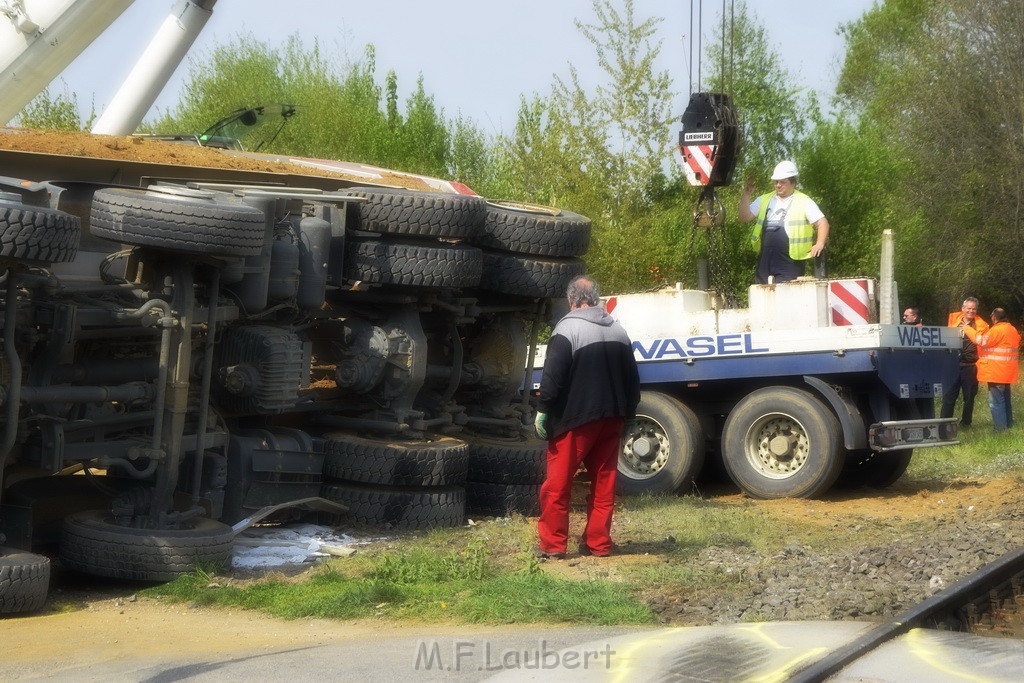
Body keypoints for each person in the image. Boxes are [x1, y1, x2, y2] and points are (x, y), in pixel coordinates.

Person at [534, 276, 640, 559]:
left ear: (571, 300)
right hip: (612, 418)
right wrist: (627, 414)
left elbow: (552, 378)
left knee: (557, 486)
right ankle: (598, 544)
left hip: (575, 420)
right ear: (595, 299)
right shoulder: (619, 331)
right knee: (604, 484)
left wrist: (543, 410)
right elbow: (633, 381)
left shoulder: (567, 329)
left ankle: (553, 546)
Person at [739, 160, 830, 285]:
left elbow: (822, 222)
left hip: (790, 261)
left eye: (782, 182)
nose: (778, 185)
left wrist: (820, 243)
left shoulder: (804, 201)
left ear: (793, 182)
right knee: (761, 294)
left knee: (787, 296)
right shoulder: (765, 199)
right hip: (765, 259)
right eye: (776, 182)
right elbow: (744, 217)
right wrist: (747, 194)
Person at [963, 308, 1020, 432]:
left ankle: (1000, 430)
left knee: (996, 402)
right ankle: (1008, 425)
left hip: (996, 371)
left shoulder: (996, 330)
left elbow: (981, 341)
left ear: (994, 318)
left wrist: (967, 329)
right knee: (1005, 399)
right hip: (1007, 372)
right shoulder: (1012, 329)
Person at [941, 297, 989, 426]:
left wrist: (968, 329)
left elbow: (982, 342)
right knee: (949, 396)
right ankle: (945, 423)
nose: (971, 311)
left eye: (974, 309)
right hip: (952, 365)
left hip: (971, 366)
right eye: (968, 308)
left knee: (969, 398)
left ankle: (966, 423)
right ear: (963, 309)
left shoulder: (981, 325)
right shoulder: (954, 320)